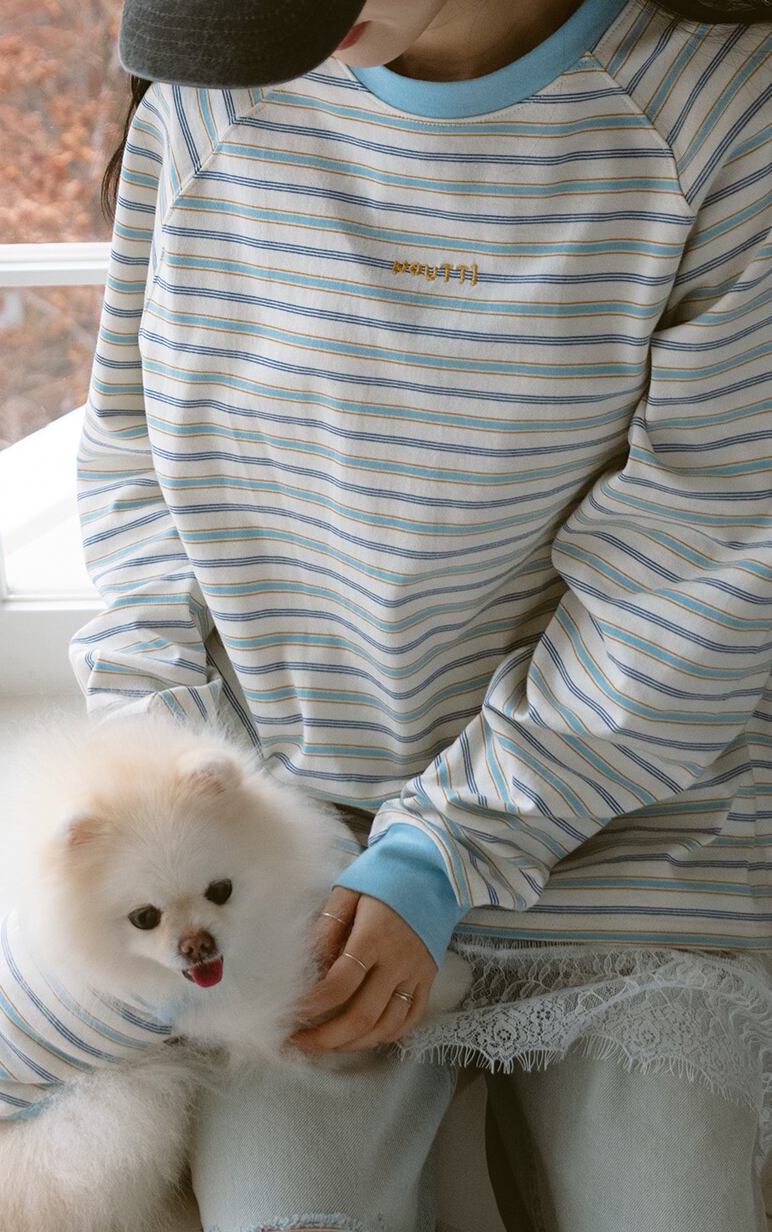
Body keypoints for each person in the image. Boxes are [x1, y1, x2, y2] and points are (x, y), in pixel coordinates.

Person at [70, 0, 772, 1228]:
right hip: (288, 853)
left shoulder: (722, 118)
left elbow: (697, 577)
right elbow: (132, 485)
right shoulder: (213, 91)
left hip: (627, 841)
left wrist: (442, 850)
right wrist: (185, 805)